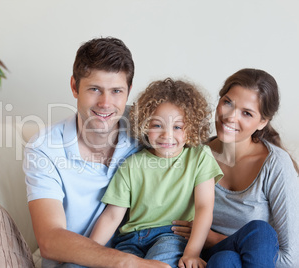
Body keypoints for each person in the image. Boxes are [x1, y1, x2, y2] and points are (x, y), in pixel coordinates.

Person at [24, 37, 169, 268]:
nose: (105, 103)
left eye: (116, 91)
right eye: (94, 89)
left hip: (137, 248)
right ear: (74, 86)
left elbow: (196, 151)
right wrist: (128, 264)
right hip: (77, 262)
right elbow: (50, 239)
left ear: (128, 91)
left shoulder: (146, 129)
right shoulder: (44, 148)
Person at [90, 78, 223, 268]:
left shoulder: (199, 157)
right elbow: (112, 216)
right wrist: (91, 251)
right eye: (157, 125)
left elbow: (204, 207)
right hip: (130, 239)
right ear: (145, 125)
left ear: (191, 129)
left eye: (177, 127)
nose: (167, 135)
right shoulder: (132, 164)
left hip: (172, 236)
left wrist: (192, 252)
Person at [172, 68, 299, 268]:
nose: (230, 117)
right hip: (204, 258)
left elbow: (291, 259)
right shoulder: (194, 153)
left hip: (252, 259)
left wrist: (213, 238)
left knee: (253, 238)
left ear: (262, 122)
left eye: (247, 113)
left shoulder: (276, 165)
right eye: (227, 103)